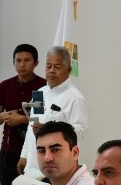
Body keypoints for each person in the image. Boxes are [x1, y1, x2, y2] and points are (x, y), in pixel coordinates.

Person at [17, 45, 89, 176]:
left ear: (68, 70)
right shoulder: (39, 93)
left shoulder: (75, 97)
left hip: (57, 167)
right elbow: (31, 127)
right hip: (33, 165)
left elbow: (81, 131)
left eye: (57, 67)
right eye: (48, 66)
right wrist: (24, 155)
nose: (52, 71)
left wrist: (51, 130)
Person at [0, 43, 46, 185]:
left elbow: (40, 119)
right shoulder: (5, 86)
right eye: (18, 60)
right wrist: (5, 116)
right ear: (13, 62)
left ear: (36, 63)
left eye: (27, 60)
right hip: (9, 149)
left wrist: (20, 119)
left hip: (34, 150)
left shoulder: (42, 86)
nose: (22, 64)